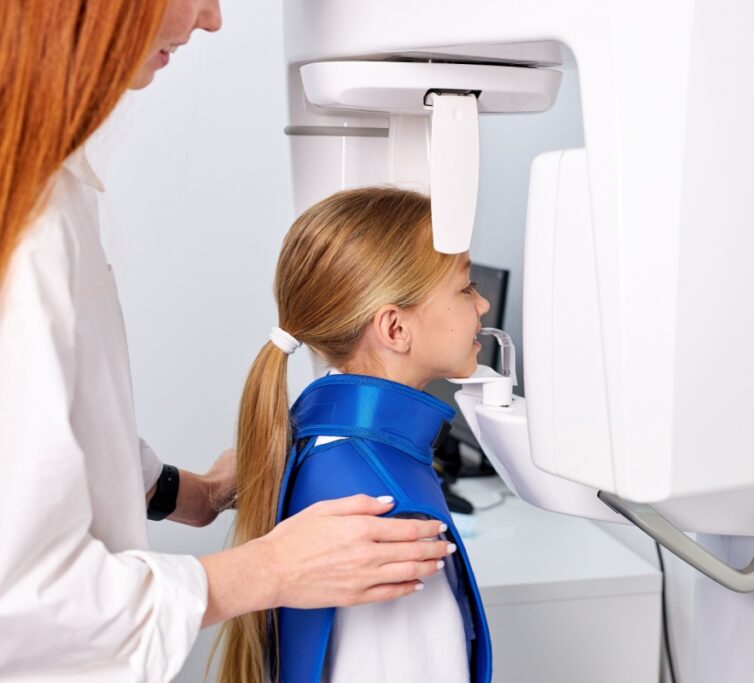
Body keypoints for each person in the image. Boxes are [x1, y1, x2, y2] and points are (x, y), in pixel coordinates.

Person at [0, 2, 452, 681]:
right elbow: (24, 604)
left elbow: (57, 437)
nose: (212, 18)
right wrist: (269, 569)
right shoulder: (24, 232)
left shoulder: (50, 187)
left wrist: (197, 493)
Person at [217, 188, 492, 683]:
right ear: (395, 328)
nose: (483, 304)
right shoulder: (389, 519)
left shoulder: (319, 441)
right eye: (466, 287)